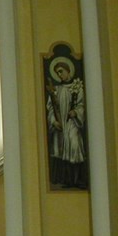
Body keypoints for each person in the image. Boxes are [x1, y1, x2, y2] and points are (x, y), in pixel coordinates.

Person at [46, 58, 88, 189]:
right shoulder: (57, 90)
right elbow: (51, 108)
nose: (59, 74)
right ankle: (67, 180)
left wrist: (76, 112)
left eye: (61, 71)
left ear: (68, 70)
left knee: (74, 146)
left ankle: (79, 179)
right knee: (62, 150)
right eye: (57, 73)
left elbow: (81, 105)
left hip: (73, 124)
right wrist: (54, 121)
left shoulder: (77, 87)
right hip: (61, 126)